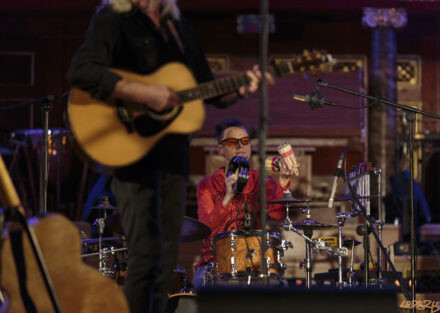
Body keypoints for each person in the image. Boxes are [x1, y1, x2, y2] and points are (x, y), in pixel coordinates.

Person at [66, 1, 267, 312]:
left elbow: (206, 86)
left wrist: (241, 87)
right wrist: (144, 93)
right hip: (131, 151)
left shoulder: (177, 26)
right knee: (144, 256)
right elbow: (82, 70)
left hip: (173, 154)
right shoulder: (115, 18)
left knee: (165, 259)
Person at [194, 119, 293, 287]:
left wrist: (283, 182)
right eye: (233, 142)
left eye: (245, 141)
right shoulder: (207, 185)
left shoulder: (261, 181)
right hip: (214, 262)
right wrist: (228, 196)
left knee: (277, 286)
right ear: (221, 149)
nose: (240, 146)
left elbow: (278, 214)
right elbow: (205, 227)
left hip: (254, 262)